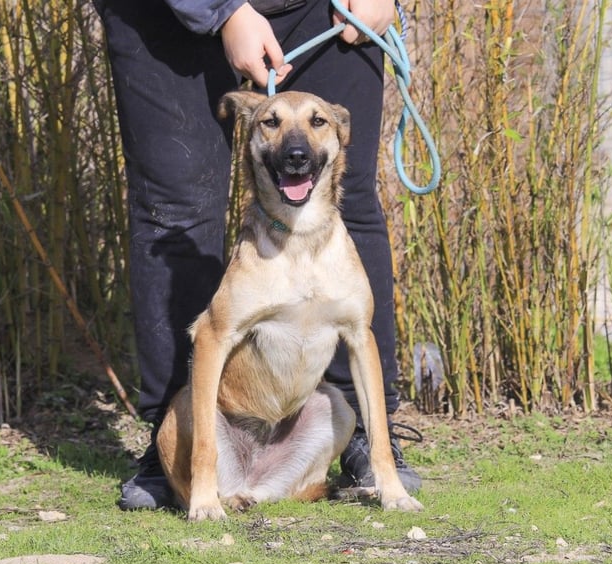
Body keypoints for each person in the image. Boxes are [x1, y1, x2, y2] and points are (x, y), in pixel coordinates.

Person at [93, 0, 422, 510]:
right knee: (174, 210)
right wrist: (223, 12)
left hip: (325, 10)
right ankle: (175, 448)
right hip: (165, 15)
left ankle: (368, 446)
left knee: (347, 199)